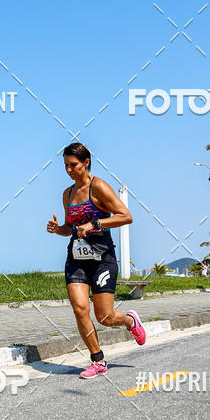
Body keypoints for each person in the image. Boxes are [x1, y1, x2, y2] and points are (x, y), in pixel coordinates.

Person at [46, 143, 146, 378]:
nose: (69, 170)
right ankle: (97, 360)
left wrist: (95, 224)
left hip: (102, 258)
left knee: (105, 317)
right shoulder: (67, 194)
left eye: (74, 165)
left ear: (86, 162)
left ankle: (130, 320)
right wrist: (57, 229)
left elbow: (126, 216)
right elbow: (70, 229)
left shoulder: (98, 187)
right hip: (77, 259)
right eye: (66, 166)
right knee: (80, 309)